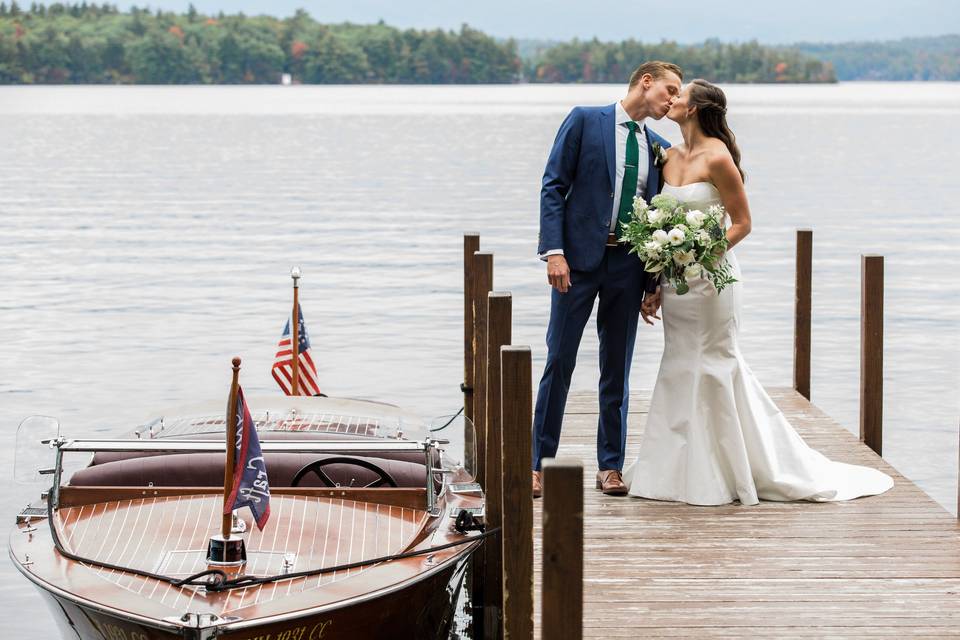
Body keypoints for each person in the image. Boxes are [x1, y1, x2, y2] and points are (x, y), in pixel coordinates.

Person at [623, 79, 894, 505]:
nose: (671, 100)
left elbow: (742, 222)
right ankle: (674, 469)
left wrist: (703, 254)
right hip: (676, 283)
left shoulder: (718, 157)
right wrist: (657, 279)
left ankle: (729, 468)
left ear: (694, 109)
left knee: (713, 363)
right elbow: (661, 224)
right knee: (678, 362)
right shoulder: (668, 157)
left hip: (713, 281)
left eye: (680, 95)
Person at [532, 61, 683, 498]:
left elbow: (658, 215)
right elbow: (553, 185)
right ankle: (536, 464)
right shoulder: (585, 119)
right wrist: (554, 252)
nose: (673, 100)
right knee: (559, 360)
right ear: (646, 81)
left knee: (617, 367)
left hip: (628, 267)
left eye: (678, 95)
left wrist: (654, 282)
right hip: (576, 264)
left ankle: (610, 466)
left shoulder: (658, 145)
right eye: (669, 90)